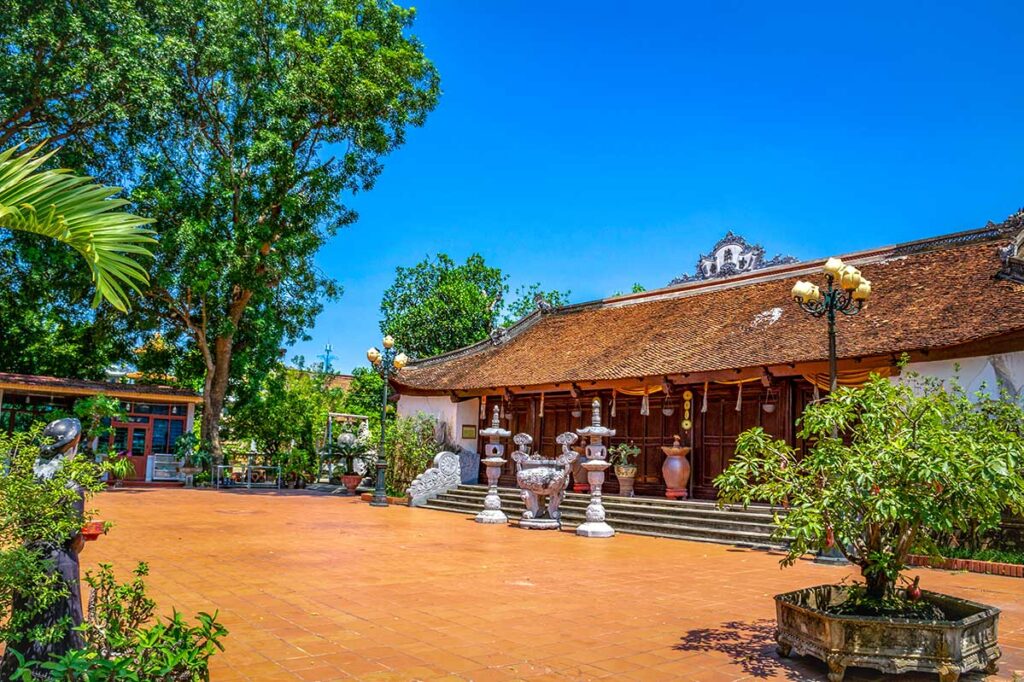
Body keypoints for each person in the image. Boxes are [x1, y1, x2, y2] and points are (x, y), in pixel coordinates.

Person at [0, 418, 87, 678]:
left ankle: (19, 668)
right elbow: (72, 535)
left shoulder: (29, 484)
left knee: (27, 616)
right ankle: (58, 673)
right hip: (59, 561)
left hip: (28, 556)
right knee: (62, 617)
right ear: (70, 447)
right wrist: (81, 540)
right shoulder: (70, 487)